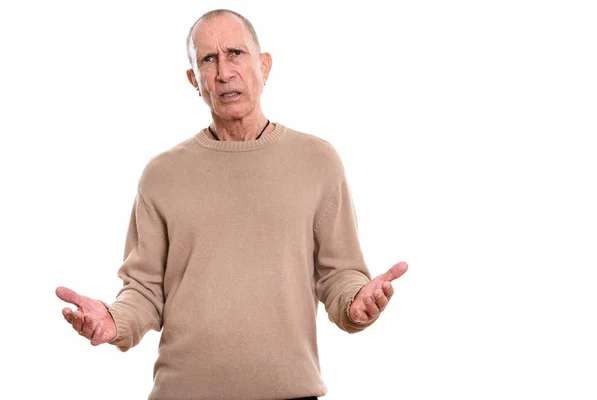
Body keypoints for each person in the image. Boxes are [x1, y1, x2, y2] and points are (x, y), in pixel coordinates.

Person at [55, 8, 408, 400]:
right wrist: (113, 320)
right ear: (194, 79)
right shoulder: (162, 174)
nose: (224, 72)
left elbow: (340, 275)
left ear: (264, 65)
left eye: (236, 53)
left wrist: (357, 303)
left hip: (290, 393)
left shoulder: (317, 161)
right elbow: (144, 290)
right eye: (208, 59)